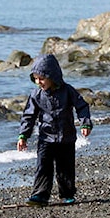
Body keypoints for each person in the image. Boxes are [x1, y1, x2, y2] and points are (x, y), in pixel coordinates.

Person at [17, 54, 92, 206]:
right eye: (36, 79)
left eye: (42, 79)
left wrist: (85, 123)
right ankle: (40, 195)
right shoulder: (36, 95)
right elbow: (29, 115)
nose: (39, 82)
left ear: (52, 76)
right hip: (46, 138)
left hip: (67, 137)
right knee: (43, 166)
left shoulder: (68, 91)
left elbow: (82, 106)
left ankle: (67, 194)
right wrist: (23, 135)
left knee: (65, 168)